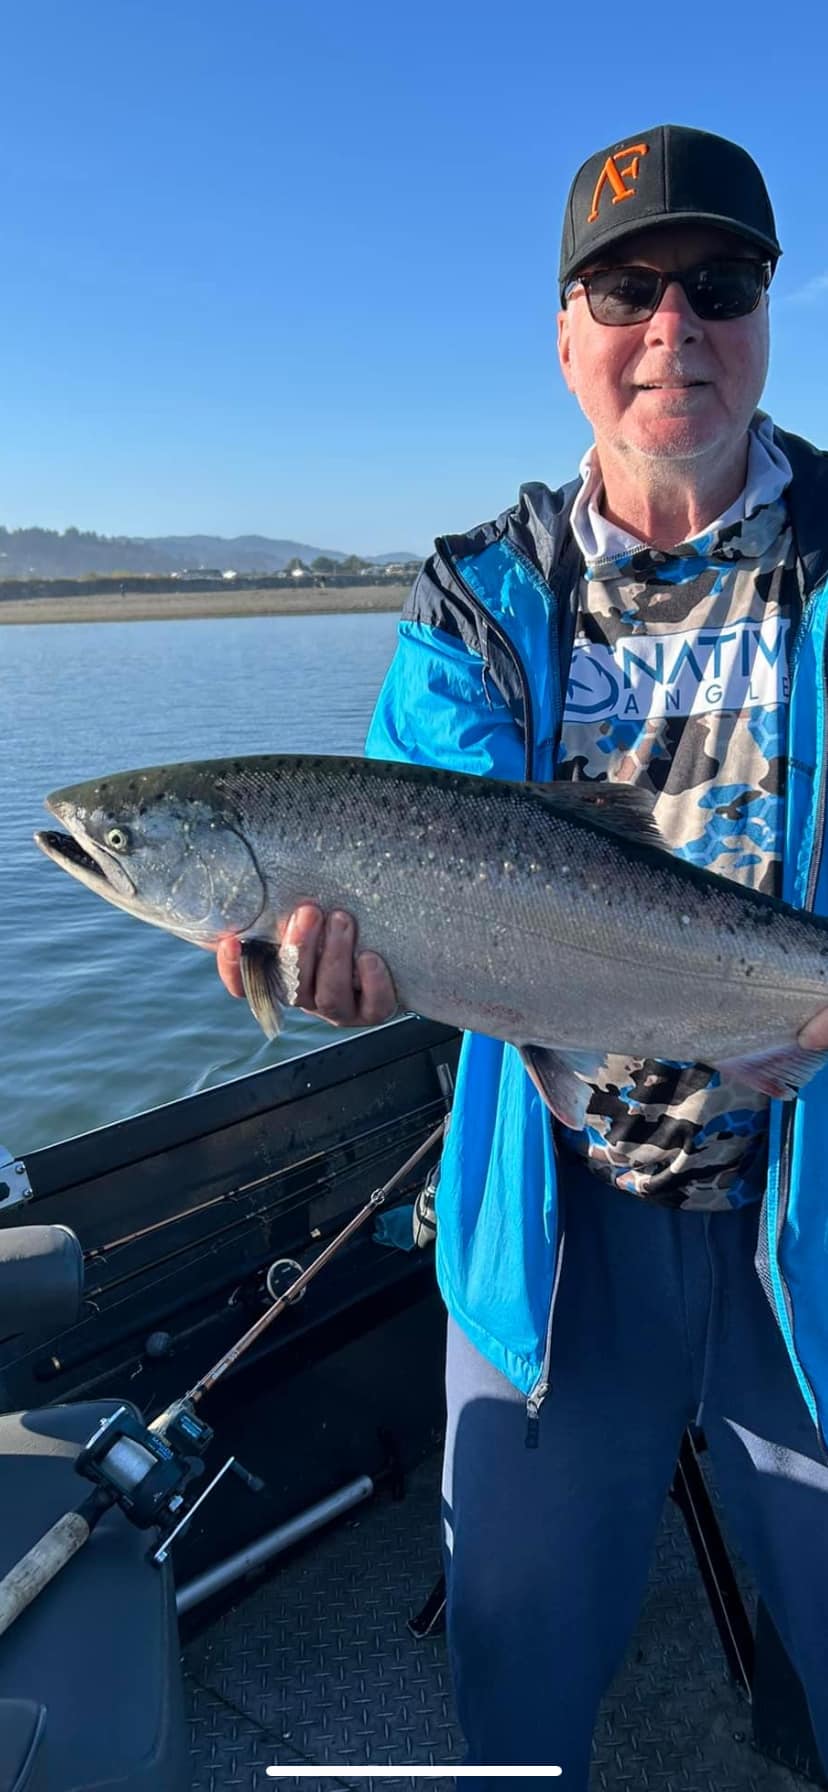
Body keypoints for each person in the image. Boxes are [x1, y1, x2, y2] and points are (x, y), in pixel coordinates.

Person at [218, 124, 828, 1784]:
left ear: (769, 312)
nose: (671, 327)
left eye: (717, 284)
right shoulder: (473, 600)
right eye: (625, 289)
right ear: (566, 333)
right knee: (518, 1672)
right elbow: (436, 882)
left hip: (817, 1211)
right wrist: (319, 972)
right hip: (557, 1226)